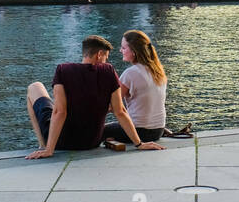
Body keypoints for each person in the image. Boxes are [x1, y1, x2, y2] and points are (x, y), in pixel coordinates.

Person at [25, 36, 164, 157]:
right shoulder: (108, 71)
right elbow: (120, 111)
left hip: (62, 142)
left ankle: (43, 145)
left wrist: (50, 150)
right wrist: (139, 144)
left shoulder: (63, 69)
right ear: (99, 54)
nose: (105, 61)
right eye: (106, 57)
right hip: (92, 141)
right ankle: (45, 145)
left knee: (35, 87)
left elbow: (60, 112)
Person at [102, 30, 169, 147]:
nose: (120, 50)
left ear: (134, 51)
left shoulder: (130, 74)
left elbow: (111, 106)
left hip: (140, 132)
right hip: (158, 130)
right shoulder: (158, 71)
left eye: (123, 48)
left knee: (100, 130)